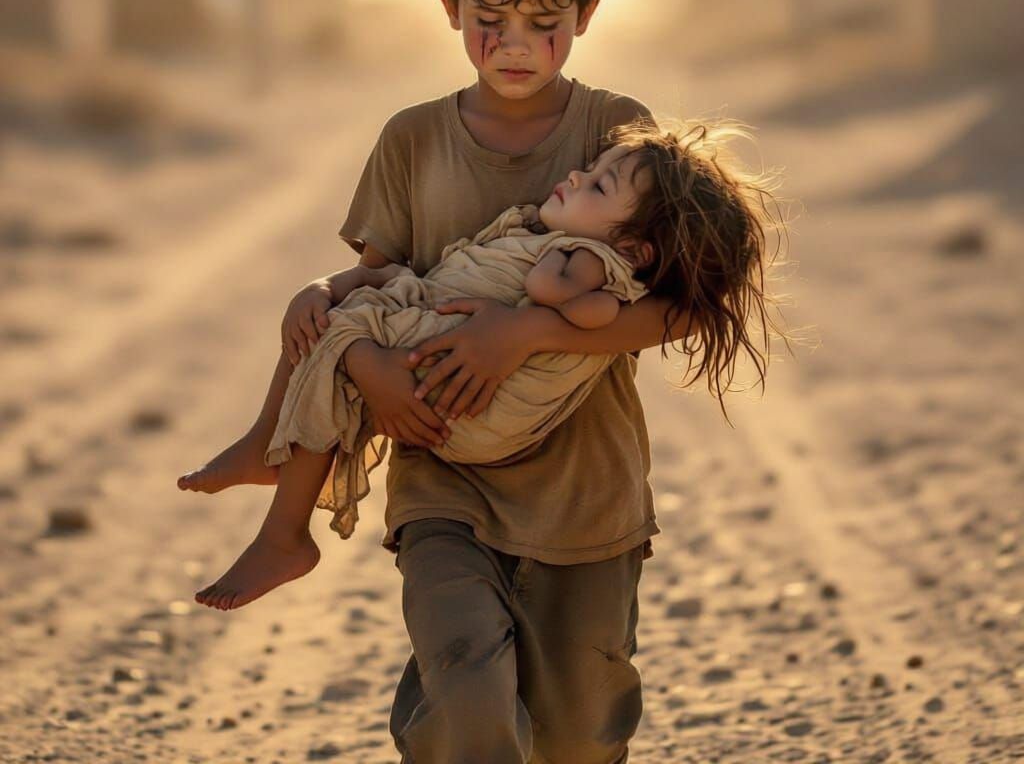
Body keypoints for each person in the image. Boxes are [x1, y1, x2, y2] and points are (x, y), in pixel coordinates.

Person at [179, 0, 785, 764]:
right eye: (488, 21)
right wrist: (361, 360)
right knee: (465, 700)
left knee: (578, 734)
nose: (513, 45)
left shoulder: (617, 134)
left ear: (585, 13)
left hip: (586, 493)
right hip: (441, 476)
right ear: (449, 9)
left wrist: (528, 329)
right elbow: (386, 289)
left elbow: (687, 309)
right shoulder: (412, 139)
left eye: (543, 24)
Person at [183, 118, 782, 611]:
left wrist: (535, 317)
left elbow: (567, 298)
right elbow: (407, 270)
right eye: (590, 170)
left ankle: (283, 529)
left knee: (340, 328)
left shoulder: (586, 259)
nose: (577, 176)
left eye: (598, 186)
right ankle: (267, 458)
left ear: (631, 247)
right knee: (342, 310)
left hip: (471, 395)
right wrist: (330, 286)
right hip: (454, 362)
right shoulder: (540, 224)